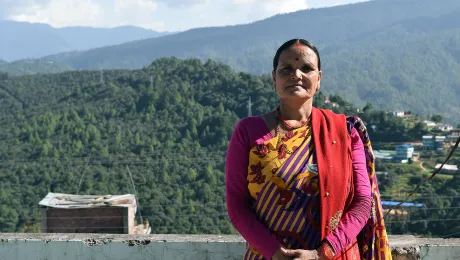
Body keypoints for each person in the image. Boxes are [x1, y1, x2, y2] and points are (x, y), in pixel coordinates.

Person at [225, 39, 392, 260]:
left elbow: (362, 203)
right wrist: (275, 252)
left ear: (318, 79)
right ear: (274, 79)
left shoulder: (345, 132)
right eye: (286, 69)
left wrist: (320, 254)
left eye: (306, 68)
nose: (297, 74)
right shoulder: (248, 132)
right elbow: (237, 205)